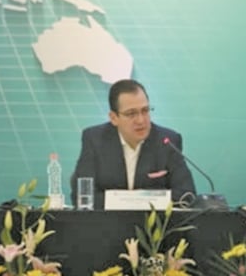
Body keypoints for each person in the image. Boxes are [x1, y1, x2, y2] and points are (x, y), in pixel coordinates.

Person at [70, 79, 196, 208]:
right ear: (114, 118)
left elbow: (186, 195)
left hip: (155, 225)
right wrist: (130, 202)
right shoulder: (94, 139)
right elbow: (82, 195)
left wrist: (136, 202)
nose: (141, 120)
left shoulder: (167, 141)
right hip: (108, 224)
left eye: (145, 111)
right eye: (131, 114)